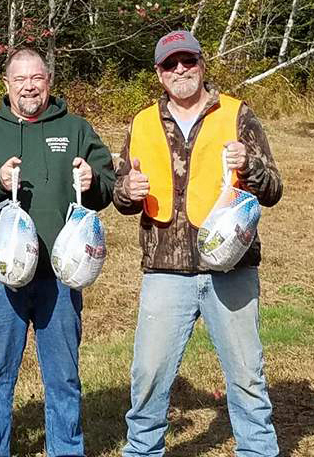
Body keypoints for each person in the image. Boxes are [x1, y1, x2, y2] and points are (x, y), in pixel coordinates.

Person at [114, 30, 282, 456]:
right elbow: (121, 194)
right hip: (164, 272)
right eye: (170, 64)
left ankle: (258, 450)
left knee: (247, 376)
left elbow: (273, 189)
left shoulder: (238, 115)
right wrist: (127, 191)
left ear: (202, 64)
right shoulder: (141, 122)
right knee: (148, 376)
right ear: (159, 72)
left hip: (231, 271)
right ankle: (143, 451)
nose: (180, 70)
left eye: (187, 60)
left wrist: (251, 165)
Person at [0, 48, 115, 457]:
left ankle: (66, 450)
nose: (29, 86)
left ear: (49, 81)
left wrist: (92, 181)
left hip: (60, 274)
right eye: (20, 79)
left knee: (63, 376)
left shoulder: (75, 128)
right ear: (6, 84)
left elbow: (108, 185)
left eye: (36, 78)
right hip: (0, 275)